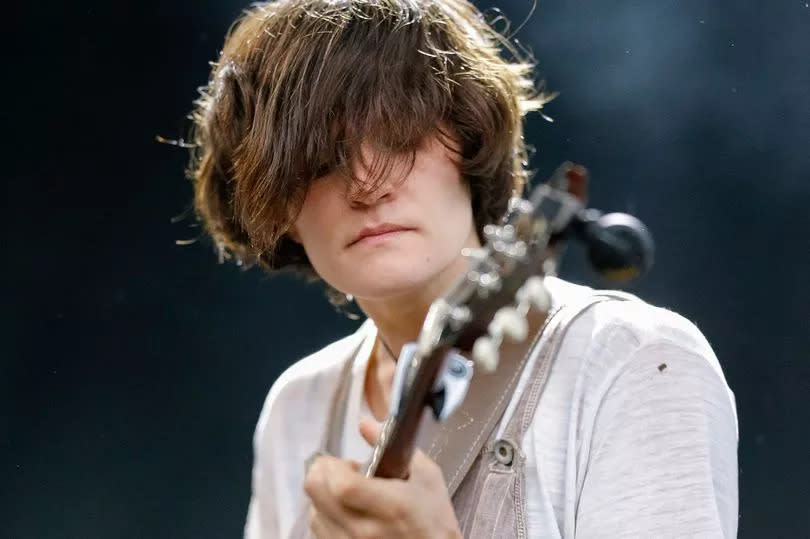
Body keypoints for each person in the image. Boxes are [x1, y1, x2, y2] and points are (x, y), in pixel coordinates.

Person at [185, 0, 739, 537]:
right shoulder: (299, 406)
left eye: (399, 136)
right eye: (321, 160)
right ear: (276, 208)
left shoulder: (631, 361)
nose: (366, 185)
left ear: (470, 140)